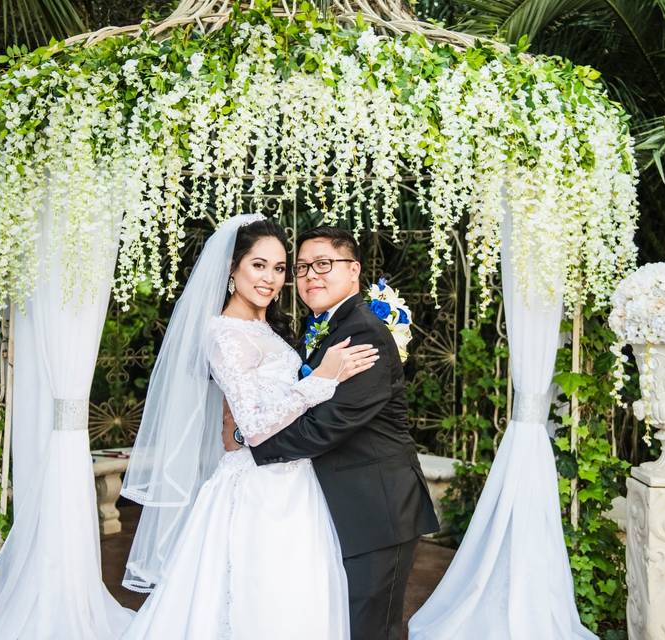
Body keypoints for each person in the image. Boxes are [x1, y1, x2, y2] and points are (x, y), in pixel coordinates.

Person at [120, 215, 378, 639]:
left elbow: (250, 416)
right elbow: (255, 426)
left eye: (279, 269)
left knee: (296, 597)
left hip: (295, 481)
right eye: (258, 265)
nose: (271, 279)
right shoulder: (223, 334)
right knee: (257, 596)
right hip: (257, 487)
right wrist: (322, 378)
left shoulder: (266, 330)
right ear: (232, 268)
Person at [244, 226, 440, 640]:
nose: (310, 275)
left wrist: (255, 447)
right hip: (342, 505)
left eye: (323, 265)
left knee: (369, 627)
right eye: (301, 268)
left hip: (377, 508)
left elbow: (328, 425)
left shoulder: (363, 333)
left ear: (354, 271)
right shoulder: (323, 328)